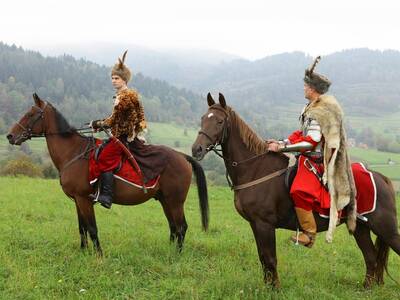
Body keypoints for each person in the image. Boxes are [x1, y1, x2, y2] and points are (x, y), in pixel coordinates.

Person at [267, 56, 356, 247]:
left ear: (313, 89)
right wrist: (282, 141)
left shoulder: (320, 111)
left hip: (315, 160)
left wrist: (282, 148)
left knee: (299, 190)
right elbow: (302, 133)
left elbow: (311, 142)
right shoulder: (310, 107)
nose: (304, 89)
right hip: (304, 159)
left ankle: (309, 233)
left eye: (306, 86)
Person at [90, 50, 147, 209]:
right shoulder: (123, 95)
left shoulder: (126, 97)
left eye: (117, 78)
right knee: (100, 150)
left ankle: (107, 196)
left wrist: (98, 124)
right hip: (120, 134)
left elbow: (115, 119)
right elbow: (115, 118)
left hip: (123, 137)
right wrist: (100, 124)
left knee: (104, 159)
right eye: (112, 78)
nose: (113, 81)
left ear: (124, 80)